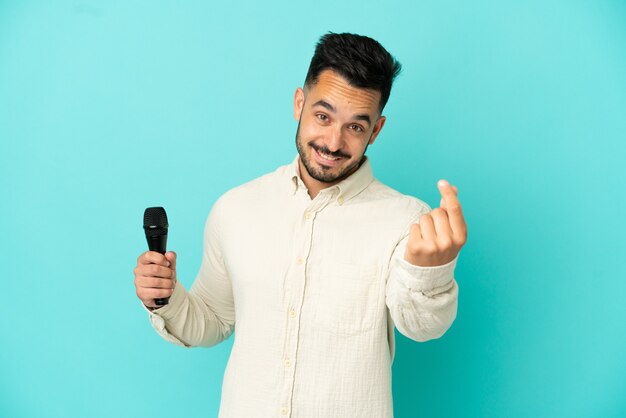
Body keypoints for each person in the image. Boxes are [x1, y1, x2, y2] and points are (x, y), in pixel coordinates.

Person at [133, 32, 467, 418]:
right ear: (299, 103)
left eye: (355, 127)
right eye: (322, 116)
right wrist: (166, 297)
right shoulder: (236, 208)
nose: (332, 141)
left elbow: (423, 326)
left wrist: (429, 272)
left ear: (376, 131)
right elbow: (212, 321)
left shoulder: (407, 221)